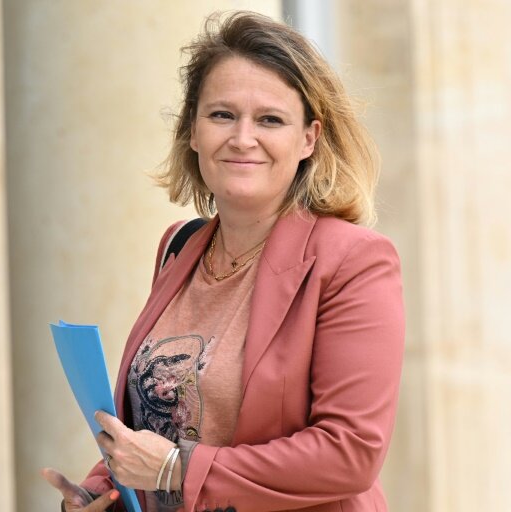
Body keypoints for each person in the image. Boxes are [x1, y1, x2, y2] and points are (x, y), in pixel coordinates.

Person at [43, 10, 405, 512]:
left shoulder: (353, 261)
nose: (242, 137)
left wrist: (178, 469)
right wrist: (102, 488)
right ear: (193, 131)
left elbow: (350, 454)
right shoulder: (180, 245)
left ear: (308, 139)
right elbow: (170, 420)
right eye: (221, 115)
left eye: (270, 119)